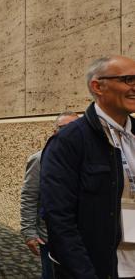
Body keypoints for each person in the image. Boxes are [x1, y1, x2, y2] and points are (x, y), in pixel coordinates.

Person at [41, 55, 135, 278]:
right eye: (129, 79)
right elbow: (59, 217)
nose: (134, 87)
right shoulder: (69, 141)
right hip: (102, 267)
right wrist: (84, 272)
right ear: (98, 86)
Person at [20, 111, 78, 279]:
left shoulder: (88, 158)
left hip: (81, 235)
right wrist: (29, 232)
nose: (69, 132)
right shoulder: (40, 159)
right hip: (50, 235)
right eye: (63, 128)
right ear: (54, 132)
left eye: (75, 127)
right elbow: (29, 196)